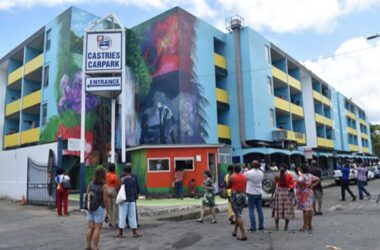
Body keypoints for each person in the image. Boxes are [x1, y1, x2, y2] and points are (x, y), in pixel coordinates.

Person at [86, 168, 109, 250]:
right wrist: (108, 211)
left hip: (90, 208)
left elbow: (87, 195)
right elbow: (105, 200)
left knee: (90, 228)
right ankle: (95, 247)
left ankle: (88, 246)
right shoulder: (104, 186)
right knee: (97, 228)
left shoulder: (90, 184)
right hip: (99, 208)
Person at [115, 165, 142, 238]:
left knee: (122, 215)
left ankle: (120, 233)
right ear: (130, 171)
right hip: (132, 199)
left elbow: (117, 188)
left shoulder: (122, 179)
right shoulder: (133, 179)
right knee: (132, 216)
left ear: (125, 171)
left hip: (124, 200)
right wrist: (135, 196)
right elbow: (135, 189)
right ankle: (134, 232)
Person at [296, 165, 321, 233]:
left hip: (304, 193)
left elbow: (299, 181)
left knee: (305, 210)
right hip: (310, 192)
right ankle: (310, 225)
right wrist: (312, 185)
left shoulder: (302, 176)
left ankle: (305, 225)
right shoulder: (310, 175)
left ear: (302, 170)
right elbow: (318, 179)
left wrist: (302, 187)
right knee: (310, 209)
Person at [272, 163, 295, 231]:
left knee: (277, 210)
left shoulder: (277, 176)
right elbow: (292, 186)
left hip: (278, 193)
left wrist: (272, 195)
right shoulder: (290, 176)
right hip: (287, 193)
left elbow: (274, 186)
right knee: (287, 210)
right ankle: (286, 226)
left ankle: (277, 226)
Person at [244, 160, 264, 232]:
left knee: (251, 210)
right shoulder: (261, 173)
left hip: (251, 193)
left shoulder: (249, 173)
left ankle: (253, 226)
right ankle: (261, 226)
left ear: (251, 165)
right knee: (260, 210)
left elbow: (244, 179)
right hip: (259, 193)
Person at [229, 165, 247, 241]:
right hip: (243, 195)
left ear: (233, 169)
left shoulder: (232, 177)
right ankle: (235, 231)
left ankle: (244, 235)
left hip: (235, 195)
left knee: (238, 215)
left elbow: (228, 186)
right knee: (238, 213)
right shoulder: (244, 176)